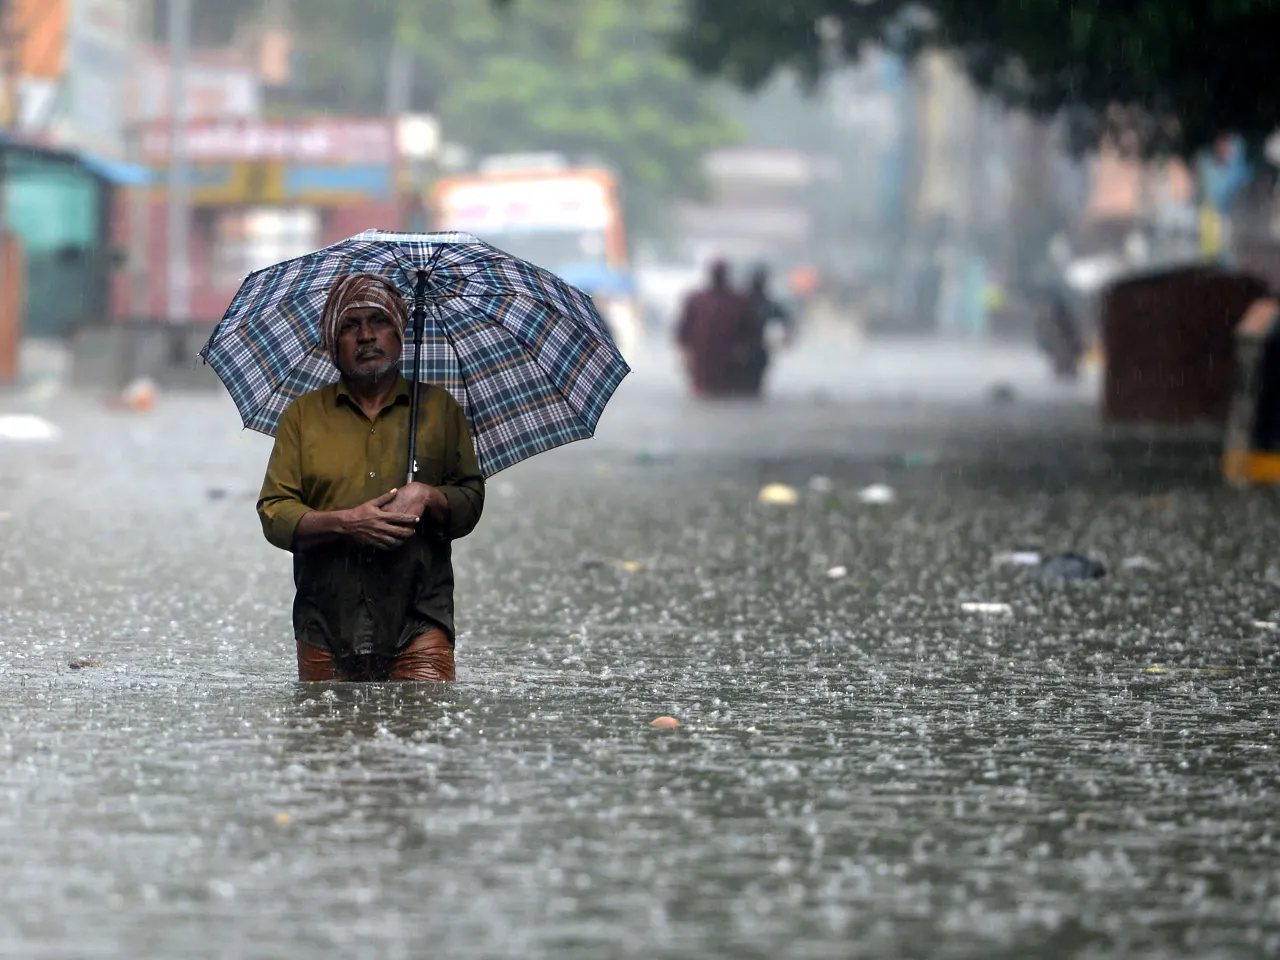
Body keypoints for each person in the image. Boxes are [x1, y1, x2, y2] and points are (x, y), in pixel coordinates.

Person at [257, 273, 485, 682]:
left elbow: (470, 501)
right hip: (326, 623)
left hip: (419, 620)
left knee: (424, 738)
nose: (365, 336)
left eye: (378, 321)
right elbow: (275, 513)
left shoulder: (439, 410)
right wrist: (347, 523)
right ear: (333, 344)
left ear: (400, 334)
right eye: (350, 325)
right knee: (326, 740)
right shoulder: (303, 416)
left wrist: (428, 495)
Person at [675, 259, 757, 398]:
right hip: (703, 360)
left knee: (724, 394)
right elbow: (684, 329)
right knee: (705, 393)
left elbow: (749, 330)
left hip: (727, 361)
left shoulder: (738, 301)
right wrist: (685, 353)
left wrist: (743, 350)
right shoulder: (697, 300)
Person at [744, 265, 795, 396]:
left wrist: (787, 337)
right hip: (746, 351)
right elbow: (786, 319)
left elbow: (786, 320)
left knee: (752, 388)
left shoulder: (765, 304)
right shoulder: (742, 303)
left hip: (756, 351)